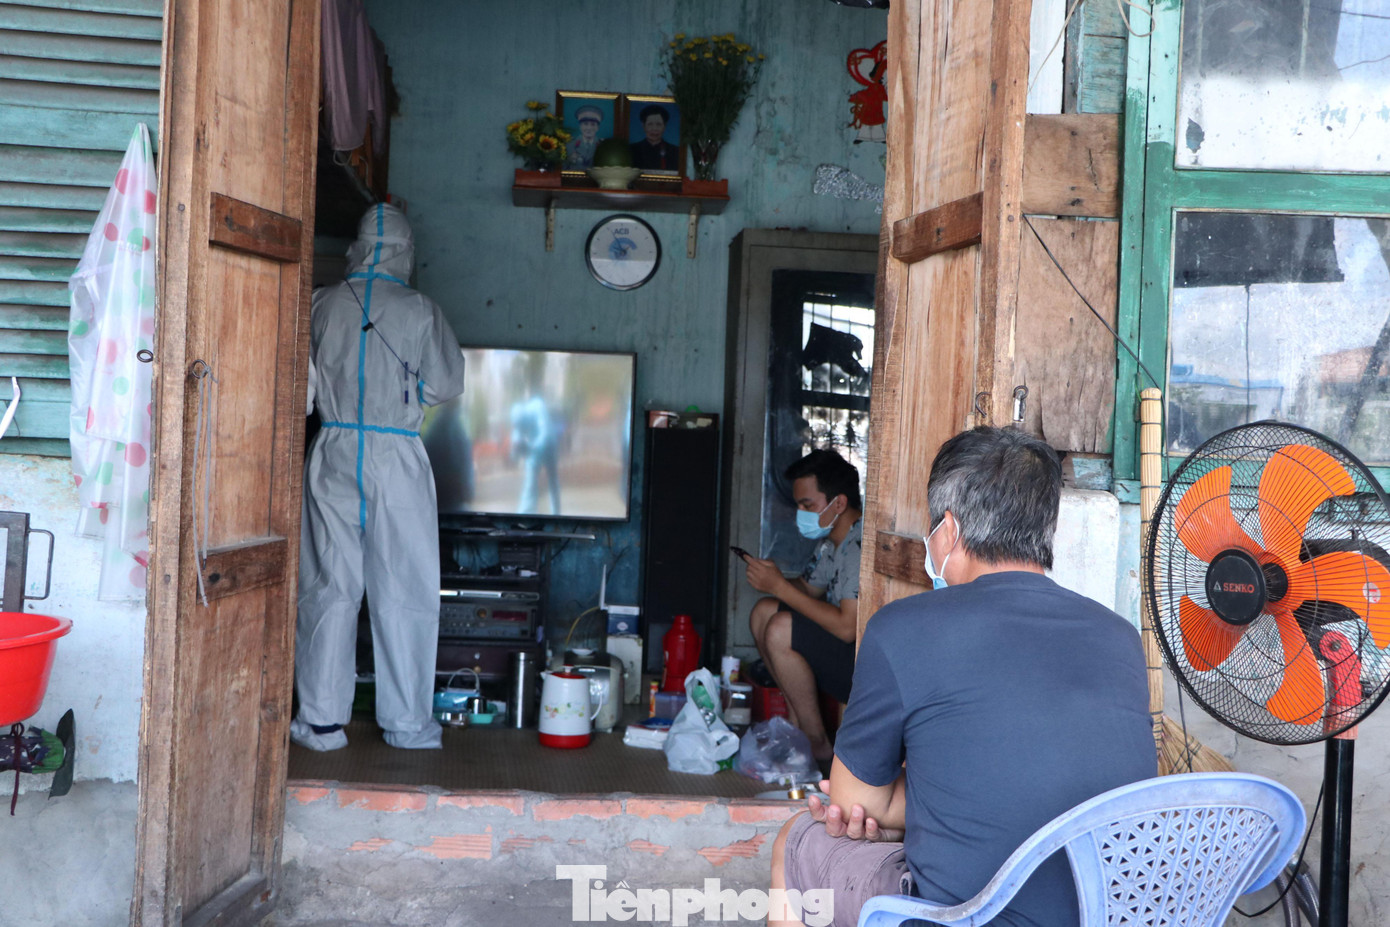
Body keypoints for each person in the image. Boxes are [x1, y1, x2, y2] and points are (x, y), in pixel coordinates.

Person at [769, 427, 1157, 927]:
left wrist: (928, 795)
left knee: (796, 841)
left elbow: (854, 803)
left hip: (963, 916)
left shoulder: (902, 628)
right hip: (1104, 913)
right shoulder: (1120, 637)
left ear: (948, 531)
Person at [292, 203, 468, 752]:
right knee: (406, 589)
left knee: (328, 586)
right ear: (406, 252)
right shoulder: (421, 310)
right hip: (397, 456)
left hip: (335, 446)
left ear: (359, 247)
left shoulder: (320, 304)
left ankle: (320, 723)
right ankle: (408, 724)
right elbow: (445, 385)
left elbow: (300, 394)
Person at [744, 449, 862, 762]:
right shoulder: (832, 543)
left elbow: (847, 628)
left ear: (839, 503)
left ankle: (817, 742)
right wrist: (772, 579)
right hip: (841, 652)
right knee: (764, 611)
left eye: (807, 505)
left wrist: (780, 587)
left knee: (781, 628)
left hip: (866, 667)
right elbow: (808, 591)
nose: (801, 513)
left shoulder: (858, 546)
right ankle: (796, 723)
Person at [629, 103, 680, 171]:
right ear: (644, 126)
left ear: (664, 126)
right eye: (650, 124)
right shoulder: (632, 150)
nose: (654, 129)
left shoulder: (675, 152)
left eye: (658, 124)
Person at [565, 104, 604, 168]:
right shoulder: (569, 144)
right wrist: (568, 160)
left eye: (593, 125)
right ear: (580, 126)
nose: (589, 128)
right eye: (585, 124)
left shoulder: (603, 145)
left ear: (598, 128)